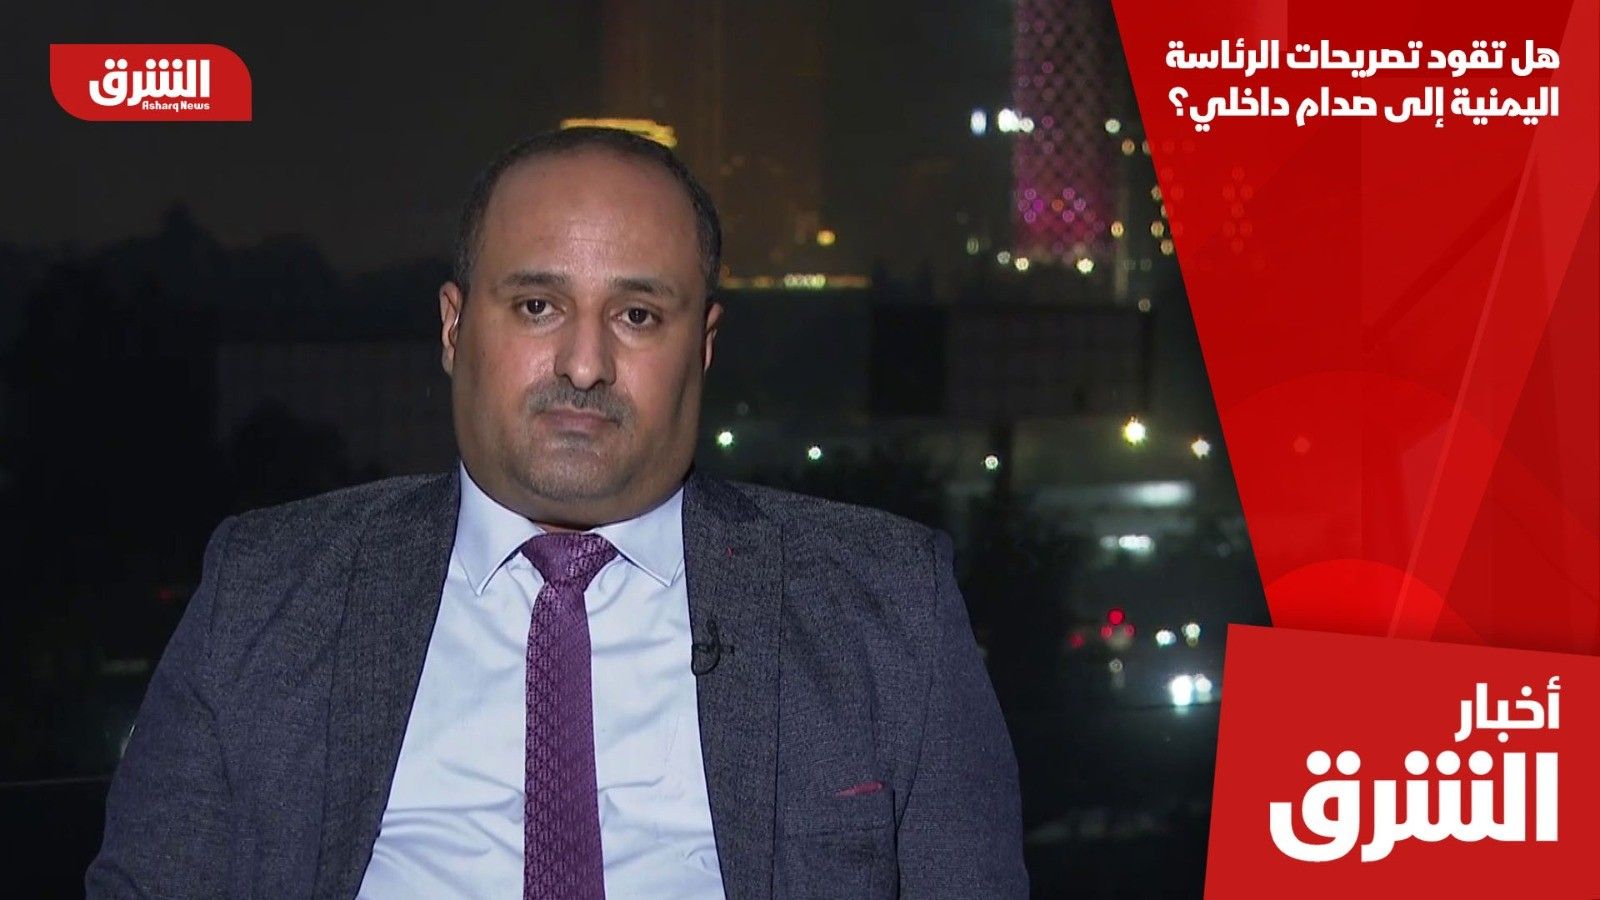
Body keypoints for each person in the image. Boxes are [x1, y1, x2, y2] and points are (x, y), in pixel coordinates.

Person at [86, 127, 1027, 899]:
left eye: (637, 316)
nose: (584, 364)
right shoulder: (265, 590)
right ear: (454, 327)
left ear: (704, 345)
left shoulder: (888, 605)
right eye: (537, 305)